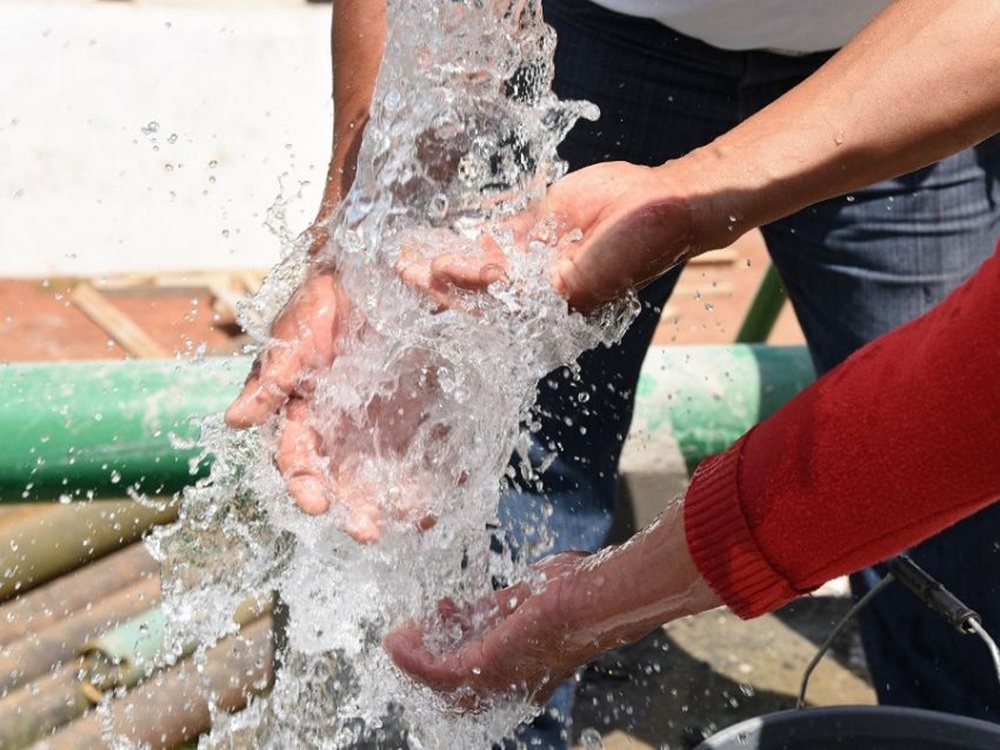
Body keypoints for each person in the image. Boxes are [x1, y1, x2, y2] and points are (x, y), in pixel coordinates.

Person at [224, 0, 1000, 745]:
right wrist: (360, 240)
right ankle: (494, 726)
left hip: (916, 53)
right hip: (611, 45)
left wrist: (598, 606)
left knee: (955, 527)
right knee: (526, 469)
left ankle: (957, 720)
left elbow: (952, 418)